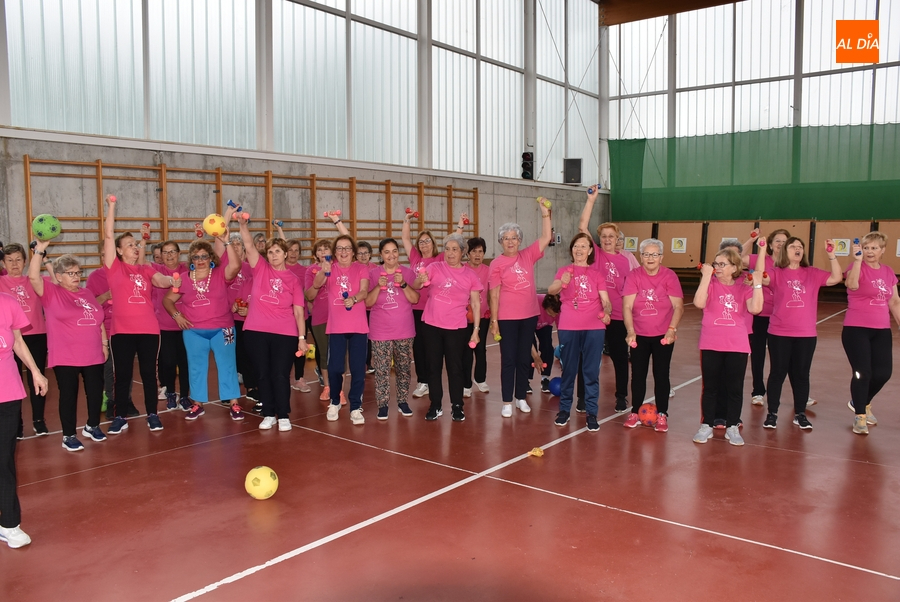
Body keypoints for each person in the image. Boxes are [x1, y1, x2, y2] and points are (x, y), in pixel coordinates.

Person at [103, 195, 180, 434]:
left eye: (136, 244)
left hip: (148, 330)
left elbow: (162, 280)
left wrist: (174, 280)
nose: (135, 247)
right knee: (122, 375)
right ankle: (120, 416)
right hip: (122, 332)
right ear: (118, 250)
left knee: (149, 374)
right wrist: (112, 206)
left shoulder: (146, 269)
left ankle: (153, 414)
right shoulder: (114, 268)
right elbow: (108, 235)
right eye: (129, 245)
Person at [28, 239, 109, 451]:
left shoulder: (86, 293)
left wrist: (104, 344)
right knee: (68, 396)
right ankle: (69, 435)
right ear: (59, 276)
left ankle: (92, 426)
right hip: (66, 356)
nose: (76, 276)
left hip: (93, 353)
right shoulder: (51, 293)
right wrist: (39, 251)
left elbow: (98, 319)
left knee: (95, 393)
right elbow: (33, 277)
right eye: (70, 273)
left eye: (78, 272)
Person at [762, 236, 842, 430]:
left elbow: (836, 278)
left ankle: (800, 414)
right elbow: (759, 277)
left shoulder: (812, 273)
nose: (797, 249)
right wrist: (762, 250)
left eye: (800, 246)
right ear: (785, 251)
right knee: (777, 373)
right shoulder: (777, 273)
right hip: (779, 332)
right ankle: (772, 413)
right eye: (793, 246)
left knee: (801, 374)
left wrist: (832, 255)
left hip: (805, 334)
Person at [237, 215, 307, 430]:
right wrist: (242, 225)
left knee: (280, 374)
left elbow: (298, 311)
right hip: (256, 331)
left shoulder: (294, 280)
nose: (273, 255)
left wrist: (302, 338)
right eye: (270, 252)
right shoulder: (260, 268)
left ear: (285, 254)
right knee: (262, 374)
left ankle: (283, 414)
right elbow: (248, 245)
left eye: (277, 251)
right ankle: (269, 413)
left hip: (284, 334)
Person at [163, 237, 244, 422]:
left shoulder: (220, 274)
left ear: (211, 258)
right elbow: (167, 300)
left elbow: (236, 266)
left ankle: (233, 402)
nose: (200, 260)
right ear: (191, 259)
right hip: (194, 331)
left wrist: (227, 243)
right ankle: (198, 404)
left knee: (227, 365)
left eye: (204, 256)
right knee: (196, 367)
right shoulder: (183, 279)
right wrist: (177, 316)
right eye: (196, 256)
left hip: (222, 329)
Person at [692, 248, 765, 446]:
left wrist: (758, 284)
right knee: (710, 387)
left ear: (734, 267)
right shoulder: (710, 284)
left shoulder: (743, 286)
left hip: (737, 344)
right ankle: (706, 424)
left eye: (722, 264)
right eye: (716, 263)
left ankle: (732, 426)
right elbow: (699, 303)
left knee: (735, 388)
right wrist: (706, 277)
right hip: (711, 343)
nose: (717, 267)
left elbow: (756, 308)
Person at [488, 202, 553, 417]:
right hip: (506, 318)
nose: (510, 241)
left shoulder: (527, 255)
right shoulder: (496, 264)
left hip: (529, 315)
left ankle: (520, 398)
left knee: (524, 358)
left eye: (514, 238)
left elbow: (546, 237)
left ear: (519, 240)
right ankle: (507, 401)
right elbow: (494, 294)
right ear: (501, 242)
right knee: (508, 359)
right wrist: (494, 321)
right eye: (506, 238)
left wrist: (545, 214)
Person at [546, 233, 611, 431]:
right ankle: (564, 410)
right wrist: (562, 281)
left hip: (594, 327)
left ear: (590, 251)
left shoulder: (597, 274)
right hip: (569, 326)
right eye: (576, 246)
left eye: (583, 246)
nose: (579, 249)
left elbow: (606, 300)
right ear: (572, 250)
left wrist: (607, 311)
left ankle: (591, 413)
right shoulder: (564, 271)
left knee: (590, 372)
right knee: (569, 370)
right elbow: (551, 290)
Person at [0, 292, 49, 548]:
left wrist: (36, 372)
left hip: (7, 393)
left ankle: (9, 524)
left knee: (4, 460)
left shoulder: (7, 302)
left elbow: (18, 340)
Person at [579, 191, 634, 413]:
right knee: (589, 357)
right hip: (594, 314)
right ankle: (583, 397)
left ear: (618, 238)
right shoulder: (596, 255)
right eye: (604, 236)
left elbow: (629, 290)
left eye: (611, 236)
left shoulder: (625, 261)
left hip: (618, 315)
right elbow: (583, 226)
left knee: (620, 358)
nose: (607, 239)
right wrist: (591, 200)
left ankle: (621, 396)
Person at [622, 238, 684, 433]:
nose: (650, 258)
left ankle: (662, 413)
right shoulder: (634, 276)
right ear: (641, 257)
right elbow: (627, 306)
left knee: (661, 374)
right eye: (646, 254)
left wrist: (672, 329)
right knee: (638, 374)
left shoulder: (669, 276)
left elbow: (678, 306)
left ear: (661, 257)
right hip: (639, 335)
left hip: (663, 335)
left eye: (654, 254)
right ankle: (635, 412)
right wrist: (630, 331)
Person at [418, 233, 483, 421]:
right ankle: (435, 405)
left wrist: (476, 331)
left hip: (456, 329)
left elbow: (476, 304)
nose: (450, 253)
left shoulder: (470, 275)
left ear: (463, 252)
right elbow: (417, 284)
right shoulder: (434, 267)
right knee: (433, 367)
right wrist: (421, 279)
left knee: (455, 368)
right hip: (431, 326)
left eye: (455, 249)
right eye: (447, 249)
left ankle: (457, 405)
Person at [402, 212, 466, 398]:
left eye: (427, 241)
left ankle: (433, 382)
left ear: (433, 243)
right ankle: (423, 381)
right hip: (415, 309)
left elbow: (455, 242)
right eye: (421, 241)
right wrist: (407, 220)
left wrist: (460, 225)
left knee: (433, 350)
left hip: (433, 311)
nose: (424, 244)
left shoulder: (440, 259)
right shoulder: (415, 258)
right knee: (419, 347)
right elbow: (405, 239)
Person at [841, 232, 900, 435]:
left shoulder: (888, 271)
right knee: (863, 372)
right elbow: (852, 284)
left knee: (883, 373)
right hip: (856, 329)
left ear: (883, 250)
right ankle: (860, 416)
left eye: (874, 248)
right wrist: (857, 261)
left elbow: (894, 301)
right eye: (866, 248)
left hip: (881, 329)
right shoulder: (855, 267)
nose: (870, 251)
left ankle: (861, 402)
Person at [310, 234, 369, 424]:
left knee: (358, 369)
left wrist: (354, 299)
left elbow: (364, 291)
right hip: (336, 327)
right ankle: (334, 401)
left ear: (353, 252)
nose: (344, 252)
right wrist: (323, 271)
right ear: (335, 252)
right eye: (340, 248)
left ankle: (355, 407)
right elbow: (315, 286)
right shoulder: (329, 268)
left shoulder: (361, 268)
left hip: (358, 327)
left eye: (347, 248)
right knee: (335, 367)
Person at [365, 238, 420, 419]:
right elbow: (368, 302)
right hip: (380, 330)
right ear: (381, 255)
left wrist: (403, 283)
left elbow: (415, 299)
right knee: (382, 370)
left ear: (398, 252)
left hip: (404, 330)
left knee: (404, 368)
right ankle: (383, 405)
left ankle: (403, 401)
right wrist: (378, 287)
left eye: (394, 251)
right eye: (387, 252)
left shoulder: (407, 272)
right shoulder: (373, 274)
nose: (391, 255)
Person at [1, 243, 49, 437]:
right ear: (3, 263)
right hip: (10, 339)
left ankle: (39, 420)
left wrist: (44, 257)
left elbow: (55, 282)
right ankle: (17, 423)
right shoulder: (1, 282)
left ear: (25, 261)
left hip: (36, 335)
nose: (14, 264)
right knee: (14, 381)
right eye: (10, 260)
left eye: (18, 260)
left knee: (36, 378)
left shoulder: (33, 280)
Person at [741, 228, 790, 408]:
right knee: (758, 354)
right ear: (770, 244)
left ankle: (798, 393)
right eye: (777, 241)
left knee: (784, 357)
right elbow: (737, 257)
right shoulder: (759, 259)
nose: (780, 244)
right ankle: (758, 391)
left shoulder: (792, 264)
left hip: (782, 316)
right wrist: (751, 239)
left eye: (784, 241)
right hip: (760, 315)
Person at [214, 231, 259, 407]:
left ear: (243, 249)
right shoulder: (222, 267)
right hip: (225, 318)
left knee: (247, 353)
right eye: (231, 243)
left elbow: (257, 290)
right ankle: (228, 391)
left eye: (238, 244)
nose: (235, 246)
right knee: (227, 356)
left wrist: (249, 307)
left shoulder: (250, 268)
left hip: (245, 319)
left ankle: (251, 387)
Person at [274, 221, 312, 393]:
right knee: (283, 349)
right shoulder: (277, 269)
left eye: (297, 250)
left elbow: (306, 294)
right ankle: (282, 376)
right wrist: (279, 229)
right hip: (281, 317)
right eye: (291, 250)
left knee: (301, 346)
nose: (294, 253)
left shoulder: (304, 271)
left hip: (300, 315)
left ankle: (299, 378)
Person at [153, 240, 191, 411]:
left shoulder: (187, 269)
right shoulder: (156, 271)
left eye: (172, 251)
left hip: (186, 325)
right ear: (160, 255)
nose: (169, 255)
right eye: (165, 252)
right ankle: (170, 393)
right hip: (164, 326)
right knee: (168, 363)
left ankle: (184, 396)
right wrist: (143, 241)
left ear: (179, 253)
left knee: (185, 362)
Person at [305, 238, 333, 400]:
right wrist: (319, 281)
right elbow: (309, 295)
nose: (323, 252)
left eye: (326, 249)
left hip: (339, 318)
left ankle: (339, 387)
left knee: (339, 354)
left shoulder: (338, 267)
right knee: (324, 353)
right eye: (320, 250)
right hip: (320, 317)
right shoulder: (311, 270)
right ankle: (327, 386)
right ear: (315, 254)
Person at [463, 236, 491, 397]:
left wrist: (493, 315)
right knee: (466, 351)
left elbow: (492, 294)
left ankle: (480, 379)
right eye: (474, 251)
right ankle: (466, 384)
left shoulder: (488, 271)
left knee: (480, 349)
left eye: (480, 251)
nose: (478, 255)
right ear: (468, 254)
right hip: (464, 317)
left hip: (483, 316)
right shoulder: (462, 269)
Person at [532, 293, 560, 393]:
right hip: (529, 322)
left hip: (545, 325)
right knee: (528, 349)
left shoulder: (558, 309)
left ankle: (545, 378)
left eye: (555, 314)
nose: (553, 316)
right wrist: (536, 356)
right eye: (551, 313)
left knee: (548, 348)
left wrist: (563, 347)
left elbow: (560, 329)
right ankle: (525, 380)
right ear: (546, 308)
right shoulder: (535, 303)